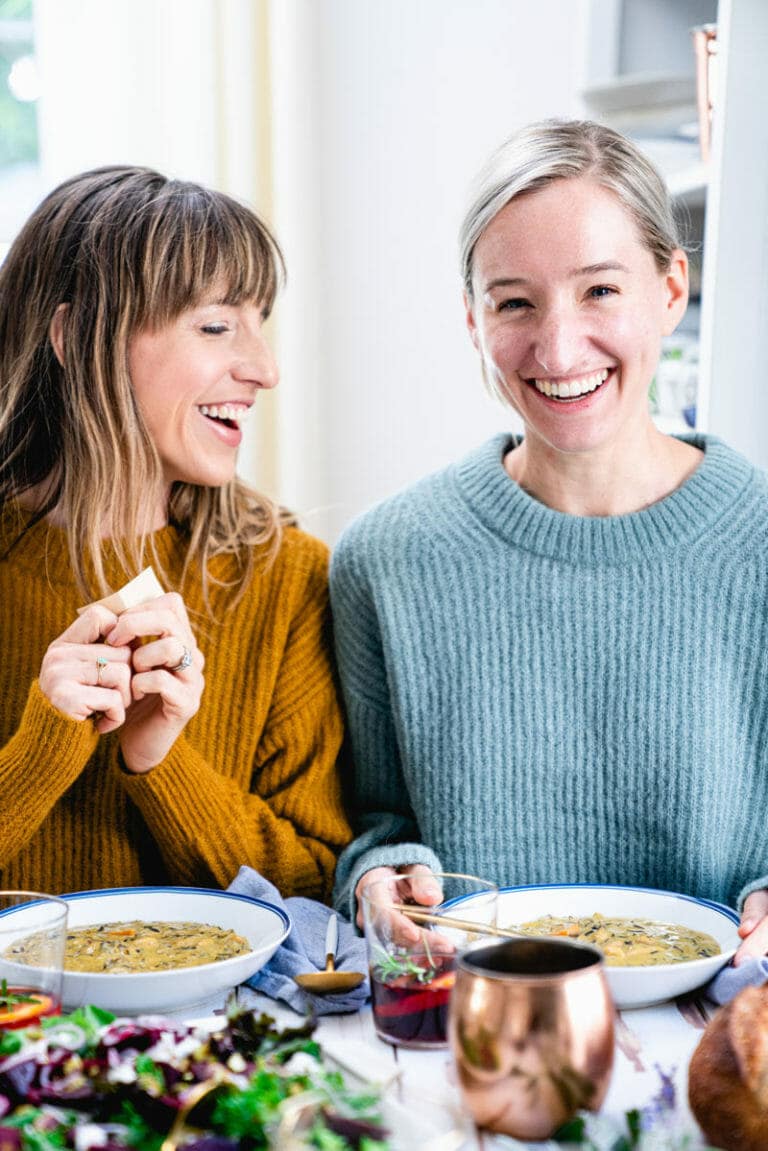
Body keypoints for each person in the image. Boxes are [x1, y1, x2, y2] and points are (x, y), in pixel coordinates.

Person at [330, 119, 768, 961]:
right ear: (472, 319)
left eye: (600, 290)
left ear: (672, 288)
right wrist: (379, 880)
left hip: (725, 1049)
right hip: (470, 1031)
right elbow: (373, 829)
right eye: (515, 302)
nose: (559, 347)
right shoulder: (385, 560)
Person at [0, 166, 351, 901]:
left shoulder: (288, 577)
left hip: (230, 1021)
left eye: (260, 323)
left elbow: (320, 889)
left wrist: (161, 762)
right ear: (75, 336)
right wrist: (41, 748)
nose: (264, 368)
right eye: (217, 325)